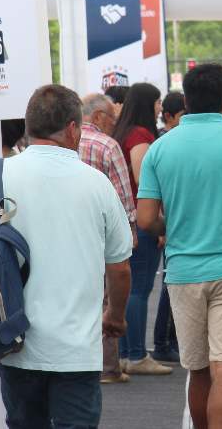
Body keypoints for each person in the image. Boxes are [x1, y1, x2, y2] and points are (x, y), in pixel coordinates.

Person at [0, 84, 133, 427]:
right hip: (77, 346)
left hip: (15, 338)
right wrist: (115, 315)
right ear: (73, 129)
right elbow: (119, 266)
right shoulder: (96, 184)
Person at [137, 63, 222, 429]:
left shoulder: (161, 149)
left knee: (198, 370)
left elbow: (146, 219)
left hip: (183, 271)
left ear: (186, 100)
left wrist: (173, 226)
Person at [112, 83, 172, 376]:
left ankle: (126, 352)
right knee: (139, 288)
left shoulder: (121, 132)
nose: (160, 108)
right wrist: (158, 218)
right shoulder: (141, 136)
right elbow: (144, 177)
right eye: (158, 102)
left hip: (123, 220)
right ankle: (135, 354)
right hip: (140, 220)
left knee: (128, 288)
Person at [80, 93, 138, 384]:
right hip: (103, 233)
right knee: (107, 297)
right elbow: (123, 194)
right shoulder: (107, 145)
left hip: (71, 235)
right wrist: (131, 231)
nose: (115, 124)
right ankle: (108, 367)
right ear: (100, 116)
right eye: (113, 118)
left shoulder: (65, 143)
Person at [152, 92, 185, 365]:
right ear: (171, 117)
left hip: (173, 224)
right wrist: (161, 226)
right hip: (169, 224)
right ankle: (162, 342)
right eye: (183, 116)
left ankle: (171, 340)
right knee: (168, 287)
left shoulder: (173, 142)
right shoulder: (164, 144)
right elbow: (158, 193)